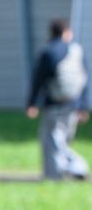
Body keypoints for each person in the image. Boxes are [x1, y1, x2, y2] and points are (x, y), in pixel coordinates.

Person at [26, 17, 90, 181]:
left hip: (55, 104)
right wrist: (82, 106)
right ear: (67, 32)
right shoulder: (77, 51)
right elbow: (83, 79)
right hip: (73, 104)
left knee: (52, 140)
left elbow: (38, 80)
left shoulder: (48, 53)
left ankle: (68, 170)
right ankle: (64, 172)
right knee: (62, 139)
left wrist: (32, 103)